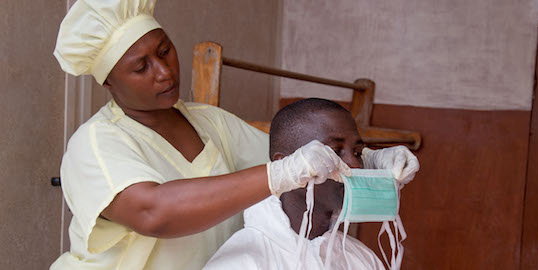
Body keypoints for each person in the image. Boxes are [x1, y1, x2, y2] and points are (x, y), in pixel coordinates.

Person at [51, 0, 419, 269]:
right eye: (141, 67)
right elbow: (154, 212)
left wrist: (367, 159)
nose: (164, 71)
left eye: (165, 50)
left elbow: (297, 158)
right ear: (110, 82)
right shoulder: (95, 145)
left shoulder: (207, 121)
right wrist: (281, 174)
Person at [203, 98, 396, 269]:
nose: (355, 165)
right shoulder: (242, 262)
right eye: (335, 152)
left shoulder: (360, 258)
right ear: (287, 164)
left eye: (357, 152)